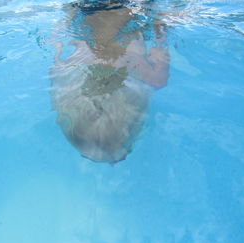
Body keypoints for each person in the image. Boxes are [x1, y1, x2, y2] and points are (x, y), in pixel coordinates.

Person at [50, 0, 170, 163]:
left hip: (131, 12)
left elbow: (161, 32)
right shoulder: (63, 73)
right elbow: (57, 41)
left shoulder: (155, 79)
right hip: (85, 10)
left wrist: (159, 18)